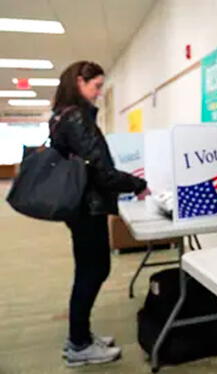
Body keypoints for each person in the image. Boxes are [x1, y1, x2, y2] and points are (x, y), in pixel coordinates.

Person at [49, 61, 149, 367]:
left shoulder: (63, 116)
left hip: (79, 205)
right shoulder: (76, 117)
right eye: (96, 86)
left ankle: (80, 336)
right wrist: (137, 184)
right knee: (93, 271)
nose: (99, 92)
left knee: (89, 270)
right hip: (86, 207)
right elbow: (100, 171)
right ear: (79, 82)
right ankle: (78, 344)